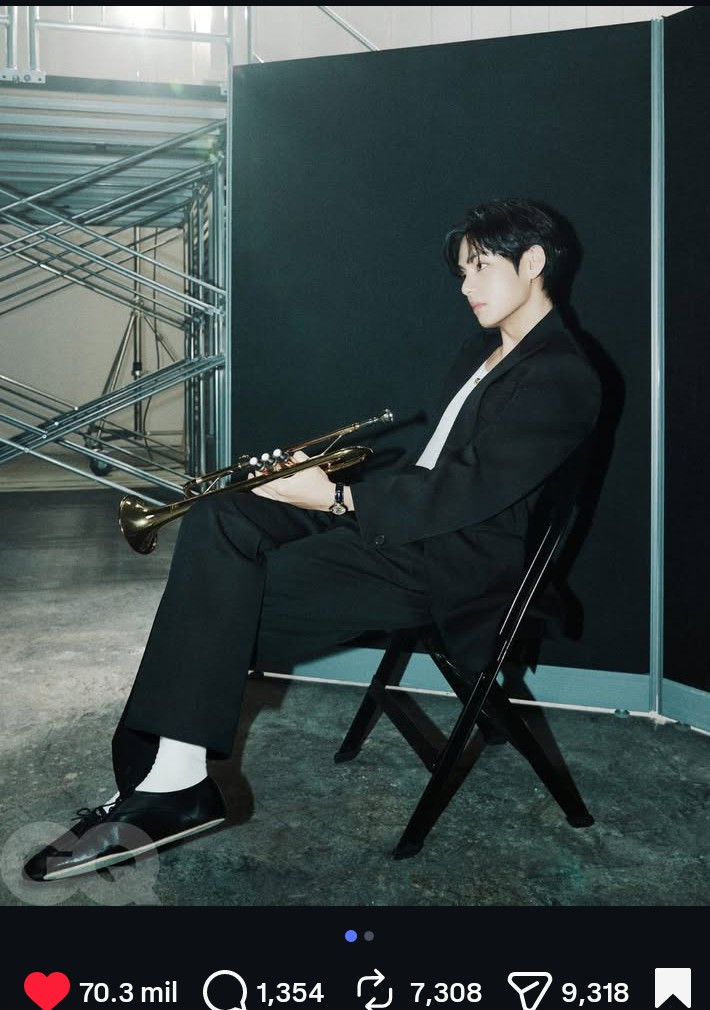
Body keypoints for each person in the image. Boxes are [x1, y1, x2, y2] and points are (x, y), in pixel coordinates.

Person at [24, 197, 601, 882]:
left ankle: (169, 785)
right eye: (462, 272)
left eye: (480, 268)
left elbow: (466, 493)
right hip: (410, 530)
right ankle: (170, 776)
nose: (465, 286)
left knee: (221, 601)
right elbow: (431, 470)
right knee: (224, 516)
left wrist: (335, 498)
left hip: (450, 566)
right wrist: (318, 480)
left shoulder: (562, 374)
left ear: (532, 262)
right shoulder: (485, 351)